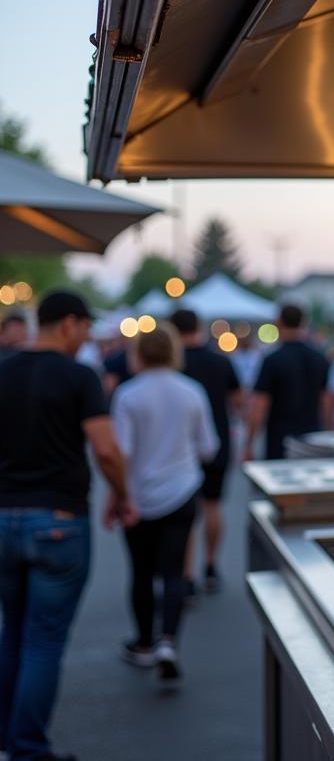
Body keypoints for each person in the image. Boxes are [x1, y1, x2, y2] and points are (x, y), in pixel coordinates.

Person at [0, 290, 134, 761]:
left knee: (11, 630)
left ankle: (7, 738)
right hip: (57, 521)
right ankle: (28, 748)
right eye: (84, 327)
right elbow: (105, 448)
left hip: (3, 519)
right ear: (68, 324)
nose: (86, 337)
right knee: (43, 641)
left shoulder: (3, 368)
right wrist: (121, 493)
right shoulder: (80, 377)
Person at [110, 324, 218, 686]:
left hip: (139, 495)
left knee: (141, 573)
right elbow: (209, 447)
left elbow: (121, 452)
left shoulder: (128, 394)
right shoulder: (192, 392)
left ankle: (143, 642)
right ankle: (168, 642)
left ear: (138, 352)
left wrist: (117, 495)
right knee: (174, 572)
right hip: (183, 490)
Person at [168, 309, 242, 593]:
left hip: (180, 446)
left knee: (184, 512)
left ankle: (185, 575)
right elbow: (238, 401)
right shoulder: (220, 361)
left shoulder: (174, 364)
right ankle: (210, 565)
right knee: (213, 506)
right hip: (217, 442)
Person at [245, 305, 329, 460]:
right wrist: (328, 432)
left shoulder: (272, 360)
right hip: (312, 437)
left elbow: (260, 405)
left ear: (279, 322)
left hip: (280, 439)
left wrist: (249, 443)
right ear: (303, 323)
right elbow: (327, 400)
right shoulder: (319, 358)